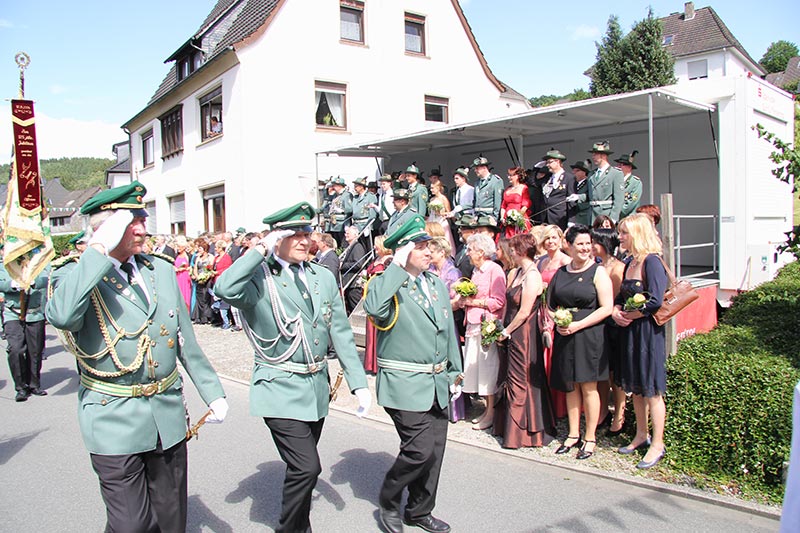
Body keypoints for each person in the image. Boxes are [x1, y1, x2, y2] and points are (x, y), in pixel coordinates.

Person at [45, 181, 228, 533]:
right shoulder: (75, 274)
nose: (143, 229)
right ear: (106, 228)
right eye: (132, 222)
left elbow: (184, 339)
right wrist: (98, 249)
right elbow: (62, 315)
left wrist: (212, 391)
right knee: (131, 525)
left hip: (166, 414)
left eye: (143, 219)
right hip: (113, 416)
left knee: (171, 520)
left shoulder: (158, 269)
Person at [214, 201, 370, 533]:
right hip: (279, 385)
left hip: (315, 387)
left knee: (300, 470)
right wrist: (259, 250)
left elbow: (340, 330)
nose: (303, 240)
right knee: (307, 467)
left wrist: (358, 383)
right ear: (276, 239)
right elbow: (224, 288)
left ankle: (300, 525)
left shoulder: (321, 276)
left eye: (306, 233)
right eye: (294, 234)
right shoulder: (259, 278)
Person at [363, 215, 463, 533]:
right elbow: (374, 309)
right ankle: (389, 499)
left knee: (435, 454)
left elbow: (446, 331)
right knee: (419, 450)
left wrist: (455, 372)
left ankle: (419, 511)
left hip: (437, 382)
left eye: (428, 245)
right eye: (419, 247)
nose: (428, 251)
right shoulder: (386, 283)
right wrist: (395, 265)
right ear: (402, 251)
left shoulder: (435, 284)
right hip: (404, 384)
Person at [548, 225, 613, 460]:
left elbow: (606, 307)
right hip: (565, 334)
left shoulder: (598, 272)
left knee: (588, 386)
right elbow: (549, 304)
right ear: (570, 246)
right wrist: (558, 320)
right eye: (580, 244)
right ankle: (573, 434)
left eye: (588, 244)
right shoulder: (561, 272)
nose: (585, 248)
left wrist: (578, 325)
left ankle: (590, 437)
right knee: (570, 385)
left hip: (589, 335)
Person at [612, 213, 670, 469]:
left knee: (652, 389)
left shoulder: (652, 262)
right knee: (636, 386)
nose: (620, 237)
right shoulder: (629, 261)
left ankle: (658, 443)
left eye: (625, 232)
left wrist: (631, 315)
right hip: (631, 330)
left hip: (647, 331)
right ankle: (640, 434)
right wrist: (617, 310)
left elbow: (656, 299)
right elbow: (621, 295)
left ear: (637, 234)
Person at [493, 233, 556, 448]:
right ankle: (506, 427)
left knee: (521, 377)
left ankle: (523, 432)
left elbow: (524, 311)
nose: (510, 252)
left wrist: (507, 331)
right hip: (511, 329)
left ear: (521, 251)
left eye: (513, 249)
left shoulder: (533, 276)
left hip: (524, 333)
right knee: (508, 375)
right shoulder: (517, 272)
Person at [453, 233, 506, 431]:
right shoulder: (476, 271)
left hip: (486, 325)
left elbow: (498, 301)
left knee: (487, 369)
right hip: (473, 323)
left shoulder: (494, 270)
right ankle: (486, 409)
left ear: (481, 252)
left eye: (470, 249)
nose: (467, 253)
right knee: (478, 369)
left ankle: (491, 412)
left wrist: (473, 302)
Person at [591, 227, 626, 434]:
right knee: (601, 372)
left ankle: (619, 414)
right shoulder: (597, 265)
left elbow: (617, 298)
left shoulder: (618, 267)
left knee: (615, 374)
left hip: (613, 324)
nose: (592, 246)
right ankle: (602, 411)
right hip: (598, 322)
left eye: (595, 242)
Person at [536, 224, 571, 419]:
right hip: (542, 310)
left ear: (560, 240)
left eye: (554, 238)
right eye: (547, 238)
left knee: (555, 357)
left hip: (557, 311)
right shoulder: (541, 261)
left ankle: (560, 407)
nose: (550, 241)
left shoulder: (566, 261)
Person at [1, 264, 49, 401]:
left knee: (35, 351)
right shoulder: (4, 265)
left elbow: (46, 279)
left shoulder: (37, 262)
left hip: (34, 313)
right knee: (15, 349)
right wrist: (12, 284)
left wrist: (34, 281)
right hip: (13, 313)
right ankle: (21, 387)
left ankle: (34, 384)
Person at [363, 235, 393, 374]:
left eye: (376, 244)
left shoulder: (389, 260)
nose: (374, 247)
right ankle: (370, 363)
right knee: (370, 331)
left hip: (380, 299)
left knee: (378, 331)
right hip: (370, 296)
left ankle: (378, 363)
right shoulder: (376, 259)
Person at [587, 140, 625, 224]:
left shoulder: (615, 173)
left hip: (606, 215)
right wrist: (578, 197)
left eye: (595, 154)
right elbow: (589, 195)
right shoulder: (591, 174)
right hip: (592, 217)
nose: (593, 157)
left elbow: (619, 199)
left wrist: (613, 218)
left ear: (603, 155)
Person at [541, 149, 575, 230]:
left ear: (558, 162)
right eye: (547, 163)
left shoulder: (569, 178)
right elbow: (533, 182)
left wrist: (571, 221)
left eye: (550, 162)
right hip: (545, 218)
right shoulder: (547, 178)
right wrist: (536, 168)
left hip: (560, 218)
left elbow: (571, 202)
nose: (547, 165)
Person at [340, 225, 368, 315]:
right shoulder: (350, 247)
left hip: (354, 284)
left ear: (356, 235)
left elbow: (358, 264)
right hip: (349, 284)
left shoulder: (357, 247)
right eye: (345, 233)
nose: (346, 235)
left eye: (348, 233)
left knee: (357, 308)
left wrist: (342, 265)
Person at [500, 166, 532, 239]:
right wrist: (502, 218)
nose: (509, 177)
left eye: (511, 175)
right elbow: (503, 206)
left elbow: (525, 205)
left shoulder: (523, 188)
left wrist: (517, 217)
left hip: (519, 219)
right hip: (507, 220)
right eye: (508, 175)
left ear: (518, 176)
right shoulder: (507, 189)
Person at [428, 181, 457, 256]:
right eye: (431, 188)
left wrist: (440, 213)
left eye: (432, 188)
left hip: (441, 221)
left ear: (438, 188)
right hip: (433, 220)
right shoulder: (432, 199)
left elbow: (449, 212)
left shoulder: (443, 198)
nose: (431, 190)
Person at [471, 156, 504, 221]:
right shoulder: (477, 183)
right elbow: (475, 201)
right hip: (478, 218)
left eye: (477, 168)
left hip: (489, 217)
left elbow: (498, 202)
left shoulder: (496, 181)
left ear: (484, 168)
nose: (475, 171)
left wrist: (495, 218)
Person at [211, 238, 234, 329]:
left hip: (222, 280)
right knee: (216, 300)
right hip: (215, 280)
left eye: (216, 247)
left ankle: (227, 321)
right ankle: (219, 319)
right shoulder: (216, 257)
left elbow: (227, 269)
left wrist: (217, 272)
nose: (215, 249)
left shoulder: (226, 257)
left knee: (222, 303)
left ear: (221, 248)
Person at [191, 239, 215, 324]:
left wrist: (205, 277)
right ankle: (199, 316)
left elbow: (210, 268)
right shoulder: (198, 257)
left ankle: (206, 316)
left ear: (205, 249)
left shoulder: (210, 257)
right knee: (199, 297)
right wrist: (197, 276)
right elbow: (195, 268)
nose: (199, 250)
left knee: (205, 297)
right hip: (199, 279)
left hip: (207, 279)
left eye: (200, 248)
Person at [615, 151, 643, 220]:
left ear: (629, 167)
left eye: (621, 165)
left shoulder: (636, 183)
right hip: (615, 219)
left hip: (629, 219)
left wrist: (616, 211)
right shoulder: (616, 181)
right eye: (618, 164)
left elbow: (631, 203)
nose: (618, 167)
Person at [327, 177, 353, 247]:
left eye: (335, 185)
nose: (333, 187)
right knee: (336, 243)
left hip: (342, 223)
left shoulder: (346, 195)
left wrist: (342, 210)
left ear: (340, 186)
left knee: (343, 243)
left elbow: (350, 209)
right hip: (334, 223)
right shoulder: (335, 195)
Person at [568, 160, 592, 226]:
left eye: (577, 171)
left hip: (584, 217)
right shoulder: (573, 184)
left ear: (584, 172)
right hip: (574, 216)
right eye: (573, 170)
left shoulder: (589, 183)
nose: (573, 173)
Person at [527, 161, 551, 225]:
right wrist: (535, 168)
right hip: (532, 207)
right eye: (540, 173)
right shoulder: (531, 181)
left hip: (541, 208)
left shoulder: (544, 181)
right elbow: (532, 181)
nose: (541, 175)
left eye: (544, 173)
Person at [174, 235, 192, 310]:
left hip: (185, 277)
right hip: (177, 276)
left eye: (179, 247)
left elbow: (191, 266)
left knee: (185, 295)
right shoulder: (176, 255)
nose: (178, 248)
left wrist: (186, 268)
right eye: (177, 246)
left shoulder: (188, 256)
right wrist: (176, 269)